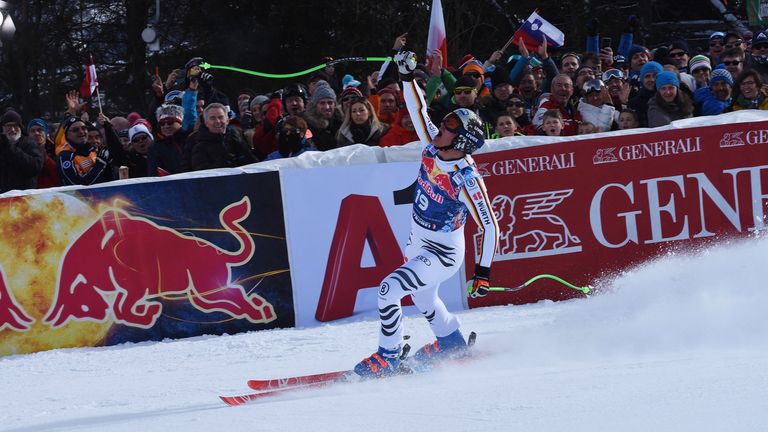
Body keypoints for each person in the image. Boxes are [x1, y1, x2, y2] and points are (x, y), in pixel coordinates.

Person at [353, 50, 499, 378]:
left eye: (449, 126)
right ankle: (452, 342)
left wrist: (483, 272)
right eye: (445, 121)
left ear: (461, 140)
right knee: (424, 299)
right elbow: (419, 110)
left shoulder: (466, 178)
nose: (440, 126)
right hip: (417, 241)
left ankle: (387, 357)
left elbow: (490, 227)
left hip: (443, 253)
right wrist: (407, 76)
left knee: (389, 289)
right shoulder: (434, 146)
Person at [55, 115, 110, 186]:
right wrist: (100, 164)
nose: (81, 132)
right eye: (75, 130)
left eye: (84, 128)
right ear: (67, 135)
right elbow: (78, 185)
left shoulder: (93, 150)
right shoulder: (65, 156)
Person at [0, 110, 44, 193]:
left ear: (20, 127)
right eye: (9, 126)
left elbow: (36, 166)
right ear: (2, 128)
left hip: (25, 196)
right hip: (3, 197)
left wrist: (11, 148)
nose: (12, 129)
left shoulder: (30, 143)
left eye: (15, 126)